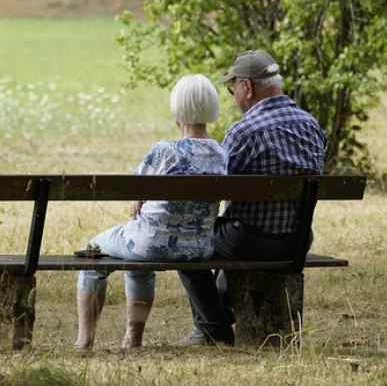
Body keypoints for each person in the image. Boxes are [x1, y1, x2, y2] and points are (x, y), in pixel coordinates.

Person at [178, 49, 327, 346]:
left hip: (250, 240)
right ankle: (218, 318)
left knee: (185, 242)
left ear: (247, 87)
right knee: (226, 234)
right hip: (297, 241)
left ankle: (212, 327)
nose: (234, 97)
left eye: (233, 89)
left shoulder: (244, 131)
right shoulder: (311, 125)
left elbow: (213, 188)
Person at [75, 74, 228, 350]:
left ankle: (84, 340)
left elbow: (135, 196)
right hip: (198, 248)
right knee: (136, 259)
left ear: (177, 109)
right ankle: (132, 338)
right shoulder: (221, 153)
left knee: (93, 250)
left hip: (150, 244)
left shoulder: (164, 151)